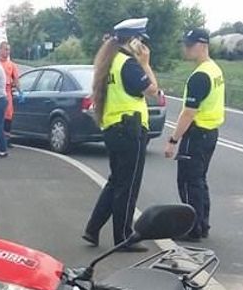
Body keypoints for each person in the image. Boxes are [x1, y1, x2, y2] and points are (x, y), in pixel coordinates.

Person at [82, 18, 162, 250]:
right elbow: (153, 91)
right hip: (130, 129)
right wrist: (146, 63)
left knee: (115, 182)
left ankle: (93, 228)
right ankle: (124, 236)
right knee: (128, 185)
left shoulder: (109, 61)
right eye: (141, 41)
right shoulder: (129, 64)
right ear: (134, 41)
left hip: (113, 128)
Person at [164, 28, 224, 241]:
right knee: (199, 180)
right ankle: (202, 223)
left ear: (202, 45)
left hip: (197, 134)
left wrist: (173, 140)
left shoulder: (200, 76)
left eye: (189, 45)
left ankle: (192, 228)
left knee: (189, 182)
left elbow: (188, 113)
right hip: (211, 132)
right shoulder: (214, 69)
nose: (186, 49)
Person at [0, 41, 21, 139]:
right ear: (0, 50)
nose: (8, 52)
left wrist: (21, 92)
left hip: (7, 92)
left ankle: (6, 139)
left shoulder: (11, 65)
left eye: (9, 50)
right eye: (6, 49)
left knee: (8, 115)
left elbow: (16, 80)